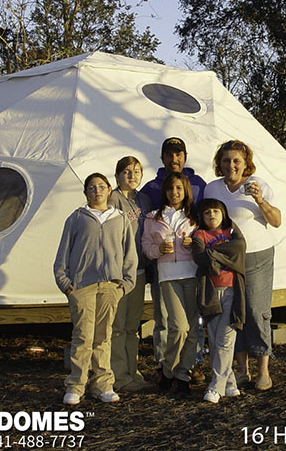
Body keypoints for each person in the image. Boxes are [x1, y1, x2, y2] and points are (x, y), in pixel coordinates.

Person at [53, 173, 136, 405]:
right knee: (82, 336)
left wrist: (125, 283)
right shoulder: (77, 218)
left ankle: (102, 384)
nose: (97, 191)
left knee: (104, 336)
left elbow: (129, 253)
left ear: (109, 190)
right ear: (85, 193)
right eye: (91, 187)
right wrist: (65, 283)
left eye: (101, 187)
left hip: (110, 285)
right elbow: (64, 252)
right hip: (82, 286)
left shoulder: (120, 218)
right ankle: (76, 385)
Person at [204, 140, 281, 391]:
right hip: (227, 259)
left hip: (257, 255)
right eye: (226, 160)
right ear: (220, 163)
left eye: (237, 160)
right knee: (233, 312)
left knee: (257, 312)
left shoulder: (258, 184)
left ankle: (263, 370)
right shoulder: (213, 188)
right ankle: (241, 370)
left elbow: (277, 221)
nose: (231, 165)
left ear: (246, 163)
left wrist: (260, 199)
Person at [139, 137, 208, 379]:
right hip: (164, 265)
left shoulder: (199, 184)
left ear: (185, 156)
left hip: (191, 265)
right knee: (164, 317)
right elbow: (145, 228)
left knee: (192, 318)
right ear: (162, 158)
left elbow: (208, 220)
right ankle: (164, 364)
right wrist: (151, 256)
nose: (174, 159)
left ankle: (193, 362)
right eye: (169, 154)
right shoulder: (150, 188)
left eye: (178, 154)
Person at [141, 172, 198, 395]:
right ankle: (167, 369)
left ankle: (183, 374)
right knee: (179, 326)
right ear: (165, 191)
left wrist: (192, 243)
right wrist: (158, 250)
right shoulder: (153, 218)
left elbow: (204, 243)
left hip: (192, 274)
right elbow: (146, 246)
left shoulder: (194, 217)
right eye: (171, 188)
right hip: (168, 276)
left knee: (193, 329)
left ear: (185, 192)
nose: (174, 193)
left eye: (179, 189)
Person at [191, 198, 246, 403]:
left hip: (232, 291)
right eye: (207, 213)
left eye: (216, 211)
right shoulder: (199, 235)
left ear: (223, 214)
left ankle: (216, 387)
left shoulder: (231, 232)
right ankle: (230, 383)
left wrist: (212, 253)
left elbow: (239, 248)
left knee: (225, 340)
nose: (212, 216)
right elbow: (200, 258)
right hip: (210, 292)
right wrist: (225, 254)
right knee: (214, 340)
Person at [109, 156, 154, 394]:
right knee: (117, 326)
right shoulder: (111, 199)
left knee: (131, 326)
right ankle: (118, 375)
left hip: (138, 270)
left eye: (136, 171)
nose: (132, 176)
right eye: (126, 172)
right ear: (117, 176)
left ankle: (132, 370)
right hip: (118, 272)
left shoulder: (144, 200)